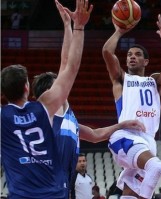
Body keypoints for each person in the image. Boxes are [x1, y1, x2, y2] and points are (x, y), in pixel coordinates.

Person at [31, 3, 145, 198]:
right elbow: (66, 63)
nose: (63, 83)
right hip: (45, 188)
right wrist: (74, 27)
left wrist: (122, 124)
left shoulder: (67, 116)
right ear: (49, 92)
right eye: (57, 83)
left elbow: (94, 134)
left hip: (60, 189)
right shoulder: (49, 112)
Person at [1, 0, 92, 198]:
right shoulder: (43, 109)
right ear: (27, 87)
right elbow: (70, 66)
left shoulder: (2, 117)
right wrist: (78, 27)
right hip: (52, 193)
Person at [102, 13, 161, 199]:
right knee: (155, 168)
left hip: (148, 141)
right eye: (129, 54)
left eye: (137, 55)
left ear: (146, 61)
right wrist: (119, 31)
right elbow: (107, 52)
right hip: (127, 136)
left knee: (132, 192)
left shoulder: (155, 80)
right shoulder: (121, 79)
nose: (132, 57)